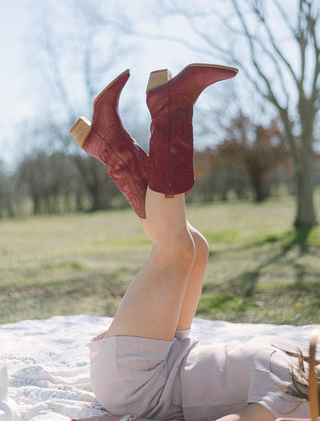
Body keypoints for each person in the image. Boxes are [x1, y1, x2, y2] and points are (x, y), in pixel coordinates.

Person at [70, 64, 312, 421]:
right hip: (171, 356)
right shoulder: (304, 358)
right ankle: (110, 145)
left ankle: (172, 108)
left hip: (142, 386)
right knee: (196, 248)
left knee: (177, 249)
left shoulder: (296, 394)